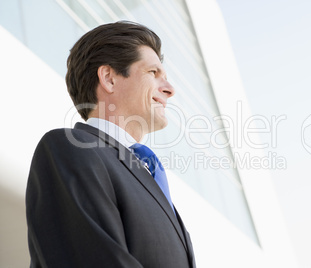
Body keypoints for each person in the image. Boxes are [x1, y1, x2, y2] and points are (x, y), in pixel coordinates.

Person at [26, 21, 196, 268]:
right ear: (109, 78)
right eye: (153, 73)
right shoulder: (70, 149)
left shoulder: (146, 172)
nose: (170, 89)